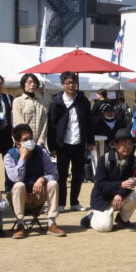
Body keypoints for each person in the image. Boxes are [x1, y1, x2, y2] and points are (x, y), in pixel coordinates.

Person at [4, 123, 64, 238]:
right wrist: (22, 158)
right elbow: (16, 178)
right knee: (19, 185)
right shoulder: (9, 156)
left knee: (52, 183)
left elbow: (54, 174)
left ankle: (51, 223)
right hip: (19, 197)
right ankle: (20, 225)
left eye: (31, 138)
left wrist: (42, 179)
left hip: (38, 194)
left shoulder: (41, 152)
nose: (29, 142)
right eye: (25, 139)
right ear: (17, 143)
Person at [47, 71, 96, 210]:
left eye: (73, 82)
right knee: (62, 175)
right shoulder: (56, 102)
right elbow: (52, 126)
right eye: (68, 82)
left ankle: (74, 202)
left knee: (78, 174)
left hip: (79, 142)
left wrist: (90, 140)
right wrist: (52, 146)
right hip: (63, 144)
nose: (71, 85)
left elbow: (89, 121)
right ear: (62, 84)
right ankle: (61, 203)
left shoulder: (83, 100)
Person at [83, 128, 136, 232]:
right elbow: (100, 184)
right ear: (115, 145)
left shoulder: (135, 162)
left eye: (130, 144)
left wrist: (119, 194)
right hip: (102, 198)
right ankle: (91, 217)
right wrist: (120, 185)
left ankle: (122, 219)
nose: (127, 147)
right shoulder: (103, 160)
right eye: (123, 143)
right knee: (105, 227)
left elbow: (131, 183)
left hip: (121, 196)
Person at [13, 73, 49, 149]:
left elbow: (45, 122)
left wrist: (41, 140)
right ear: (23, 84)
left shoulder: (41, 102)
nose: (32, 85)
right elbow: (18, 122)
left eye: (34, 82)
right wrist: (27, 141)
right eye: (29, 82)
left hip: (39, 143)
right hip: (23, 143)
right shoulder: (18, 101)